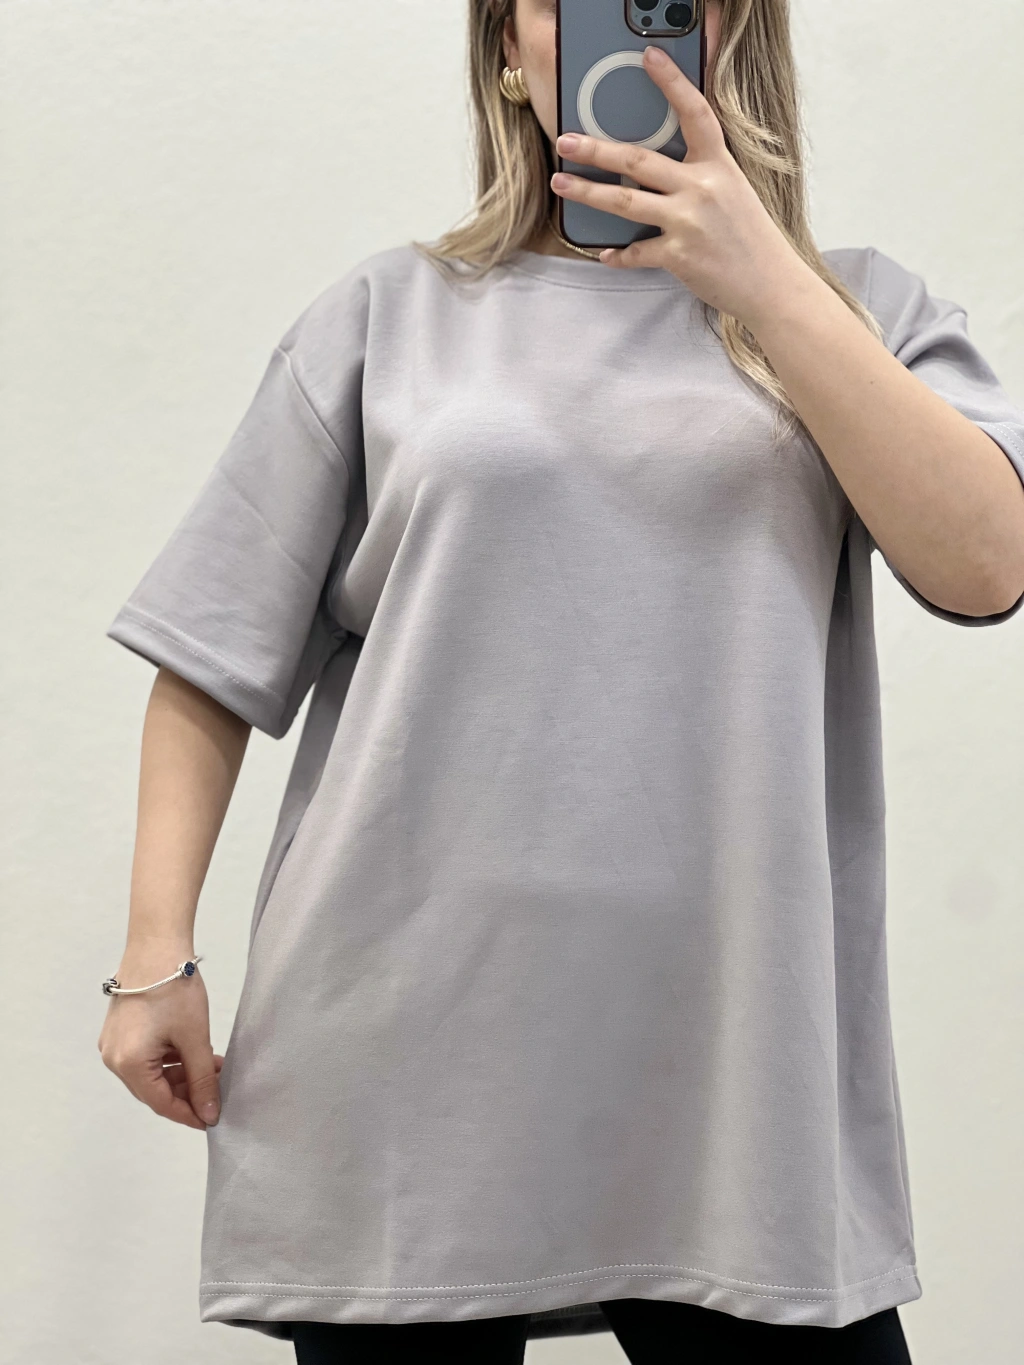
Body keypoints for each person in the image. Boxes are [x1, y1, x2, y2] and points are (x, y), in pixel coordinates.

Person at [97, 2, 1024, 1362]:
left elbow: (987, 564)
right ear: (506, 51)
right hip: (403, 1057)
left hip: (732, 1080)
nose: (616, 29)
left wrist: (765, 285)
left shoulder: (861, 310)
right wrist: (151, 958)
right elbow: (212, 654)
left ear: (734, 31)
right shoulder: (387, 316)